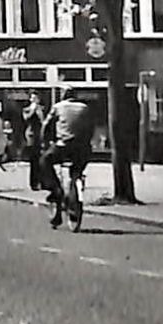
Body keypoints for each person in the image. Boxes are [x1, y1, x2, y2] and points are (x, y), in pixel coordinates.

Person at [43, 86, 95, 229]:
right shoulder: (84, 108)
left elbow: (46, 125)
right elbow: (91, 127)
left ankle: (55, 189)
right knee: (76, 172)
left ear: (63, 95)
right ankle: (75, 183)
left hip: (63, 147)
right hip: (82, 149)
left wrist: (45, 141)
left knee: (45, 160)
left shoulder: (58, 107)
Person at [22, 94, 47, 192]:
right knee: (34, 160)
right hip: (32, 137)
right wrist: (33, 110)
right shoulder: (26, 109)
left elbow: (43, 121)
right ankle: (34, 183)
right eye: (32, 98)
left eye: (35, 98)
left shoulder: (41, 109)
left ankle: (43, 182)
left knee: (42, 160)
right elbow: (26, 118)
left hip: (40, 136)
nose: (33, 100)